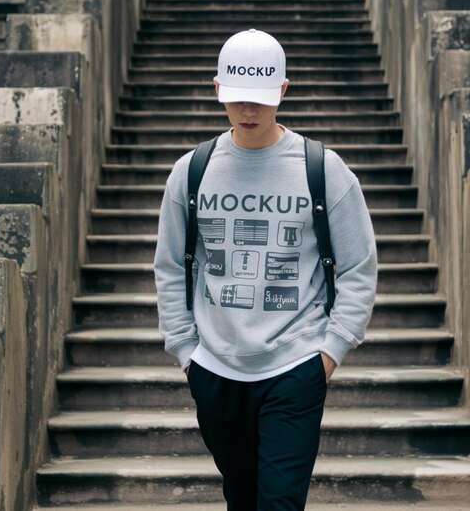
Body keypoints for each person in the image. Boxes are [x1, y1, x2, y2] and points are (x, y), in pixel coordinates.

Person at [155, 28, 378, 511]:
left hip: (296, 363)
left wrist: (331, 351)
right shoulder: (192, 171)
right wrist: (186, 350)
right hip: (214, 365)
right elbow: (170, 265)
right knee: (241, 496)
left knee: (279, 502)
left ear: (282, 90)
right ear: (218, 90)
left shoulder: (323, 169)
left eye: (259, 99)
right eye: (237, 100)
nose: (249, 113)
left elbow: (360, 265)